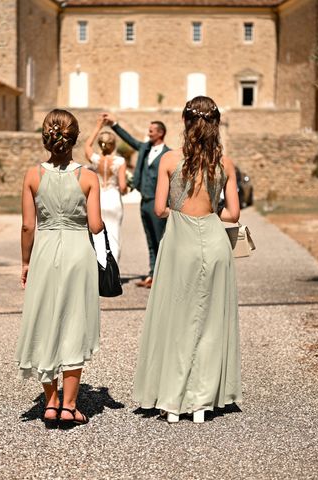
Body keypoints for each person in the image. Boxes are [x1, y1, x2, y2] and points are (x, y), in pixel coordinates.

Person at [132, 96, 242, 423]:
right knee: (209, 323)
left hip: (180, 243)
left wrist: (182, 210)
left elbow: (160, 208)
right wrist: (211, 211)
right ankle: (202, 403)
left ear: (184, 122)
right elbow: (233, 213)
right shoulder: (226, 163)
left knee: (175, 321)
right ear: (216, 124)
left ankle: (171, 402)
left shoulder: (168, 160)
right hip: (214, 242)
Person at [15, 109, 103, 429]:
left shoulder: (32, 176)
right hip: (78, 250)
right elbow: (95, 227)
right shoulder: (89, 177)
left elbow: (28, 227)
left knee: (45, 319)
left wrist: (25, 262)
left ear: (46, 138)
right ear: (75, 138)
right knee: (73, 321)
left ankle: (50, 402)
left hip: (45, 250)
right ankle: (70, 406)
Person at [102, 112, 170, 288]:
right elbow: (130, 139)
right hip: (145, 201)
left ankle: (161, 276)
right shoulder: (145, 148)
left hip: (159, 202)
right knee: (149, 239)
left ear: (160, 133)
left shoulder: (168, 154)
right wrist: (114, 124)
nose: (149, 133)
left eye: (152, 131)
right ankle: (152, 274)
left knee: (160, 239)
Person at [84, 115, 127, 266]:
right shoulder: (120, 162)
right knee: (114, 236)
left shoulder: (95, 160)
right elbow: (122, 187)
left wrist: (98, 126)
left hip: (98, 199)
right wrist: (127, 188)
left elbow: (87, 147)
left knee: (97, 235)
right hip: (113, 199)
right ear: (114, 145)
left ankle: (99, 269)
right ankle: (112, 273)